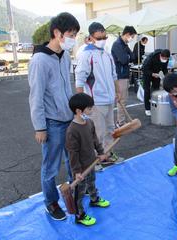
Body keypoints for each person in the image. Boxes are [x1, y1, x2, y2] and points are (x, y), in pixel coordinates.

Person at [28, 12, 80, 220]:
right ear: (57, 32)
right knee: (50, 166)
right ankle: (51, 202)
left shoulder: (65, 56)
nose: (73, 38)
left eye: (75, 34)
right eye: (70, 33)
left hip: (69, 119)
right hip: (51, 123)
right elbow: (36, 97)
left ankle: (72, 193)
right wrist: (40, 127)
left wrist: (76, 110)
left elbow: (67, 87)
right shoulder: (39, 60)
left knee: (71, 161)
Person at [75, 22, 123, 170]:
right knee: (97, 132)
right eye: (99, 37)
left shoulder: (107, 55)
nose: (102, 39)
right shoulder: (86, 55)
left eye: (104, 37)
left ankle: (107, 155)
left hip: (109, 100)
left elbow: (114, 75)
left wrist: (118, 92)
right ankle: (93, 160)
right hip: (95, 102)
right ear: (91, 38)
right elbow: (80, 79)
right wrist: (81, 104)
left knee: (109, 130)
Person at [66, 93, 110, 226]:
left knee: (92, 182)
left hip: (91, 162)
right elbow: (72, 153)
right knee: (79, 191)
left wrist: (101, 153)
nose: (91, 111)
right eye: (89, 109)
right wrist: (77, 171)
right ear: (79, 111)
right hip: (80, 168)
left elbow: (95, 139)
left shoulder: (89, 123)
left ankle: (94, 199)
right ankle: (79, 215)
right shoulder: (72, 130)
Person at [111, 26, 137, 126]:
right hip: (119, 75)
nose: (132, 39)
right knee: (122, 100)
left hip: (123, 75)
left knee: (122, 100)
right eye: (132, 36)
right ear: (127, 34)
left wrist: (128, 56)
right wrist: (128, 57)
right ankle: (120, 122)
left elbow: (133, 57)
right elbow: (124, 60)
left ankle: (120, 121)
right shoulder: (117, 44)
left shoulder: (124, 44)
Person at [142, 49, 170, 116]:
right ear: (160, 55)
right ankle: (147, 108)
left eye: (166, 58)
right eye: (164, 58)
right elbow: (144, 69)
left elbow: (164, 68)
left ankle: (155, 105)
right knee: (147, 90)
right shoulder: (151, 57)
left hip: (157, 74)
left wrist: (167, 76)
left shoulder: (166, 59)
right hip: (147, 73)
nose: (165, 60)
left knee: (156, 89)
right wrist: (152, 74)